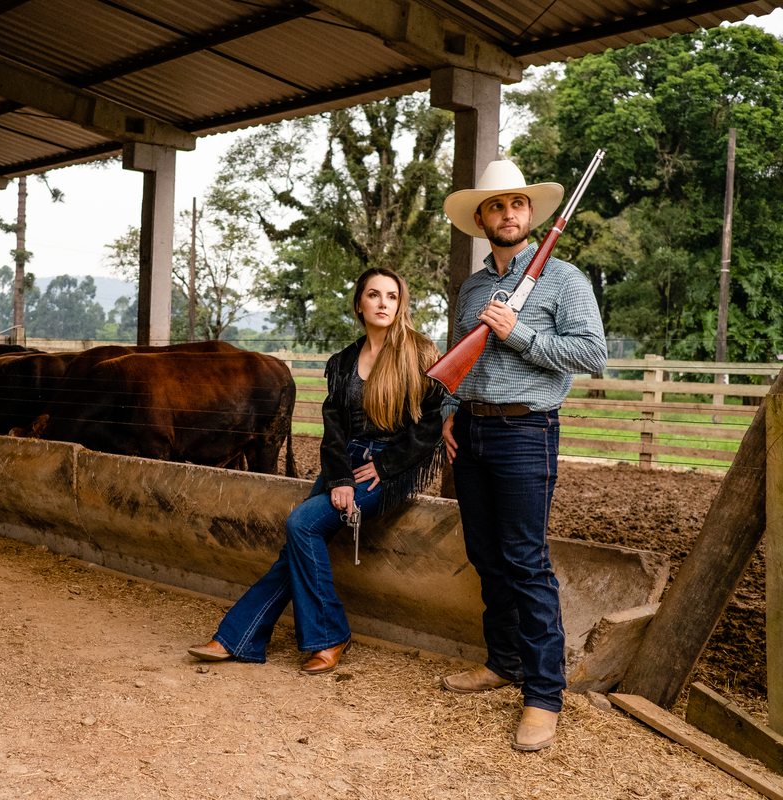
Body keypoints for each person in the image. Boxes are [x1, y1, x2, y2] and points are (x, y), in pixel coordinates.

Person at [187, 267, 444, 674]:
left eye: (392, 296)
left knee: (303, 524)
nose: (383, 303)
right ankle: (238, 638)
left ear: (401, 304)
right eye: (374, 295)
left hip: (388, 467)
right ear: (359, 304)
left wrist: (384, 464)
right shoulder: (343, 362)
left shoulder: (421, 352)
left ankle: (328, 633)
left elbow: (431, 424)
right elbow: (335, 428)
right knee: (297, 547)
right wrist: (340, 478)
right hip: (347, 462)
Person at [438, 160, 607, 751]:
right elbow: (457, 355)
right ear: (480, 218)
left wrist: (518, 333)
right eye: (494, 206)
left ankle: (542, 695)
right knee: (485, 556)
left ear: (529, 215)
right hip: (472, 433)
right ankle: (502, 661)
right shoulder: (474, 287)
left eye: (516, 205)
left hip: (525, 432)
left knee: (526, 562)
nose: (507, 215)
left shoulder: (565, 280)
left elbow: (592, 355)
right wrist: (446, 414)